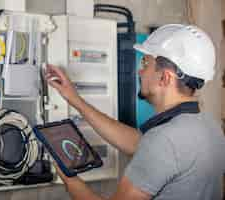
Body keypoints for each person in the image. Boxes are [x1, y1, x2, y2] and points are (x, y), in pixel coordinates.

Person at [45, 24, 225, 200]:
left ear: (164, 77)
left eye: (145, 62)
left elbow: (157, 147)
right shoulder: (210, 128)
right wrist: (75, 100)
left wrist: (68, 177)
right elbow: (139, 144)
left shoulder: (164, 140)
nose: (140, 70)